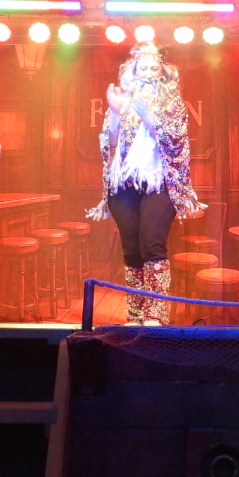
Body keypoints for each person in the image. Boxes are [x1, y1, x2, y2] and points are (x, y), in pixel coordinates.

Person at [87, 41, 206, 325]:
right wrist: (116, 113)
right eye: (144, 68)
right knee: (131, 248)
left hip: (159, 182)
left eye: (155, 68)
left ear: (163, 72)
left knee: (151, 244)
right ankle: (136, 313)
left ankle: (156, 314)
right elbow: (110, 143)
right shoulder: (122, 101)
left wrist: (147, 117)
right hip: (125, 184)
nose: (149, 73)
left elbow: (175, 142)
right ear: (133, 70)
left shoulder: (173, 103)